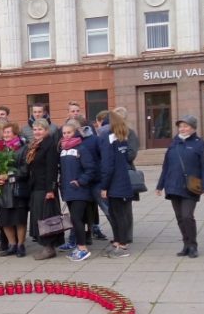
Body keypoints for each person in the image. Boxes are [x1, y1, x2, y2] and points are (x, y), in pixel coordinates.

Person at [156, 114, 204, 258]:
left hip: (191, 187)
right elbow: (166, 166)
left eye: (186, 126)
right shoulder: (173, 143)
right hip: (173, 186)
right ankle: (186, 245)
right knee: (180, 217)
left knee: (187, 216)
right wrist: (160, 186)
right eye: (180, 126)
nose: (183, 129)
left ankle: (193, 245)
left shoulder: (200, 144)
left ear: (193, 128)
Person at [99, 110, 137, 258]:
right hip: (123, 181)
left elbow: (107, 165)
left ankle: (122, 245)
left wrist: (104, 186)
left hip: (114, 183)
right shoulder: (121, 138)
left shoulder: (107, 138)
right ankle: (118, 242)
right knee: (118, 214)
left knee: (117, 215)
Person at [59, 119, 97, 262]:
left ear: (74, 133)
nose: (66, 135)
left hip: (79, 190)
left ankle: (83, 248)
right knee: (74, 220)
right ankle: (78, 247)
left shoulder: (82, 148)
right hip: (68, 191)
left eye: (69, 132)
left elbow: (90, 169)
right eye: (64, 133)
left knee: (76, 219)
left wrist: (80, 181)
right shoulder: (63, 149)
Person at [24, 119, 61, 260]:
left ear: (46, 130)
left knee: (47, 218)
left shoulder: (49, 145)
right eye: (35, 129)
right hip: (36, 186)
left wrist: (50, 190)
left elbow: (51, 169)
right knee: (40, 217)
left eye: (40, 129)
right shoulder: (36, 145)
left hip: (45, 188)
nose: (37, 132)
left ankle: (49, 247)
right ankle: (46, 246)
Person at [0, 122, 28, 257]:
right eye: (4, 132)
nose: (5, 135)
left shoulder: (23, 149)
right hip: (2, 190)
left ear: (15, 134)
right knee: (4, 219)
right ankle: (12, 245)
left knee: (19, 220)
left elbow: (25, 170)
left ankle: (21, 245)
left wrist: (8, 176)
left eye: (8, 132)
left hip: (16, 189)